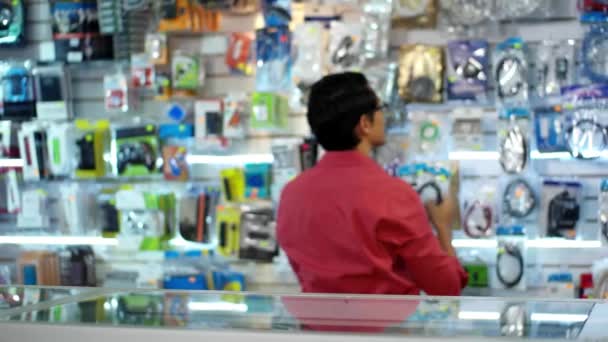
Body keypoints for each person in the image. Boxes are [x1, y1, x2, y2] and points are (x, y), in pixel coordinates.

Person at [277, 72, 467, 296]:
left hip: (314, 327)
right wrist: (443, 227)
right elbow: (445, 286)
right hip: (389, 328)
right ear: (364, 124)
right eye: (380, 108)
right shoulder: (395, 195)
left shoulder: (292, 194)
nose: (383, 116)